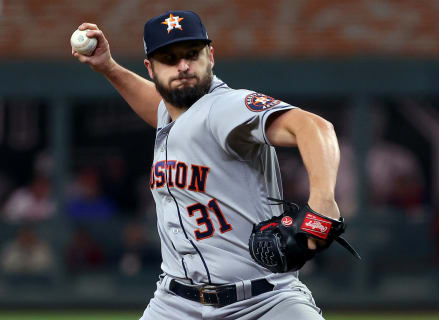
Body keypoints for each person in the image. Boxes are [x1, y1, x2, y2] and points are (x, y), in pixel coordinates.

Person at [72, 10, 345, 320]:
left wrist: (323, 201)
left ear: (210, 56)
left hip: (263, 302)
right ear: (151, 68)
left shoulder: (225, 107)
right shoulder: (173, 113)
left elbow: (315, 128)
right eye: (169, 59)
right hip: (175, 303)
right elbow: (159, 106)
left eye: (192, 54)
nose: (183, 66)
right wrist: (109, 67)